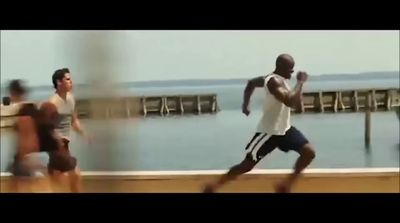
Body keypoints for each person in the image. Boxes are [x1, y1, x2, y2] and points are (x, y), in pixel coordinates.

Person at [203, 54, 316, 193]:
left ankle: (285, 186)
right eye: (290, 69)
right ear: (280, 66)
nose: (292, 73)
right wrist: (300, 82)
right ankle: (213, 187)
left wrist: (246, 104)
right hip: (268, 132)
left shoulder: (270, 79)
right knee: (246, 165)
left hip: (284, 129)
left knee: (309, 152)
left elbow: (251, 83)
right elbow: (288, 100)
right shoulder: (273, 82)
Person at [48, 68, 91, 192]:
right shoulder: (53, 103)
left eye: (71, 79)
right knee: (75, 174)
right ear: (59, 82)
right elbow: (47, 127)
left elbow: (74, 121)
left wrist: (84, 134)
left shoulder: (71, 98)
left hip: (65, 145)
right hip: (56, 146)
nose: (71, 82)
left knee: (57, 179)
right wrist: (56, 141)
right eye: (67, 79)